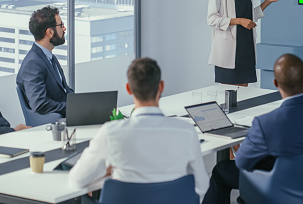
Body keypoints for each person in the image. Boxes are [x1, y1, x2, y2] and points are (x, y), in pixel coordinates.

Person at [202, 54, 303, 204]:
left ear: (275, 83)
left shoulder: (266, 123)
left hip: (282, 189)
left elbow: (242, 163)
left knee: (221, 170)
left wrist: (239, 148)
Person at [68, 58, 209, 199]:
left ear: (128, 88)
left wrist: (106, 172)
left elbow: (77, 180)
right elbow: (202, 185)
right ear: (161, 86)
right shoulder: (186, 132)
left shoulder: (111, 133)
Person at [208, 0, 283, 86]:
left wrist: (268, 1)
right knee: (229, 100)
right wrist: (239, 21)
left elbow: (248, 17)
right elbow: (211, 19)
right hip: (228, 51)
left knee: (243, 97)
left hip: (246, 47)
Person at [16, 6, 74, 117]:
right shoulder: (33, 63)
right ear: (49, 32)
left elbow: (64, 91)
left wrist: (82, 103)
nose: (64, 28)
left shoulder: (49, 57)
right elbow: (39, 104)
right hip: (55, 122)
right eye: (61, 25)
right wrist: (71, 107)